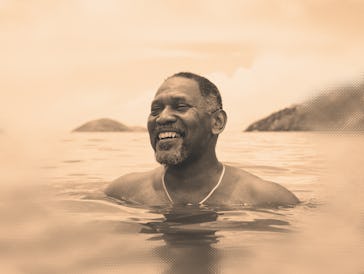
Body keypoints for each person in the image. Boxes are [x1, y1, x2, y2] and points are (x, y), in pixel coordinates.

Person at [105, 72, 299, 207]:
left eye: (180, 106)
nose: (162, 118)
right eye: (155, 110)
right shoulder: (122, 192)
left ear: (217, 122)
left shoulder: (268, 199)